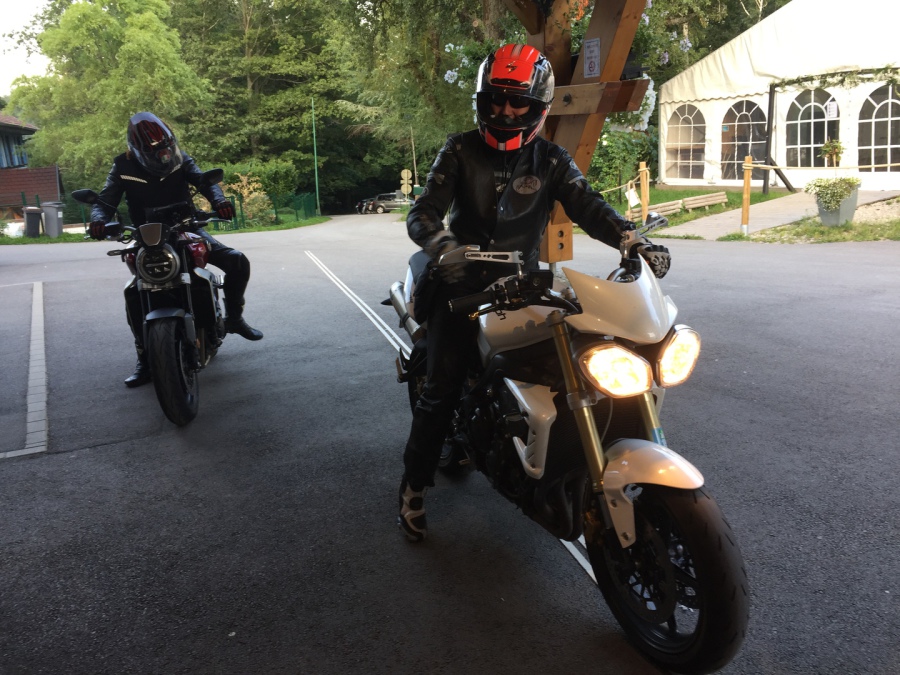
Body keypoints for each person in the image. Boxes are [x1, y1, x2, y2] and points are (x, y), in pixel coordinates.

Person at [397, 44, 671, 542]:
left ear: (538, 106)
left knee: (569, 361)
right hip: (460, 283)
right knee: (441, 388)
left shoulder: (551, 159)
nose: (505, 111)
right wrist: (444, 247)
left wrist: (632, 240)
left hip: (524, 284)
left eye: (518, 101)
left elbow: (588, 205)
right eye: (496, 99)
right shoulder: (459, 150)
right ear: (483, 101)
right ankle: (413, 488)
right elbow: (424, 212)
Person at [90, 112, 263, 388]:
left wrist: (219, 202)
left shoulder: (180, 159)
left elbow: (204, 182)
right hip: (147, 236)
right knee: (134, 291)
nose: (163, 155)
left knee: (236, 261)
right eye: (155, 151)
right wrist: (99, 219)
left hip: (186, 226)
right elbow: (105, 200)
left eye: (166, 148)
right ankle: (145, 358)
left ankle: (234, 318)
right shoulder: (122, 166)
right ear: (137, 149)